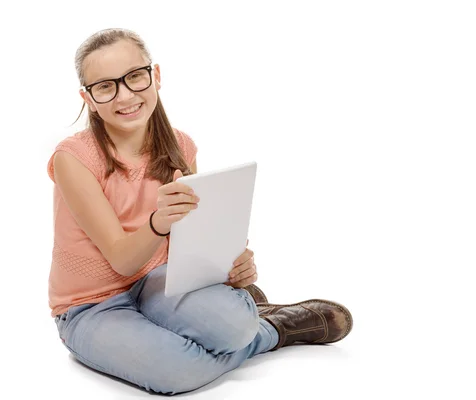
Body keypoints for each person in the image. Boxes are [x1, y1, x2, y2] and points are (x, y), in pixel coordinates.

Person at [48, 28, 353, 395]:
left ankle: (240, 320)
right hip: (93, 306)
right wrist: (158, 222)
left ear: (155, 75)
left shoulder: (180, 145)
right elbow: (122, 261)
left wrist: (231, 265)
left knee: (235, 327)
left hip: (162, 280)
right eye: (105, 86)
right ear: (88, 97)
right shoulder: (74, 159)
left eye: (135, 77)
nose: (125, 95)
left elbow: (195, 236)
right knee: (177, 373)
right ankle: (273, 331)